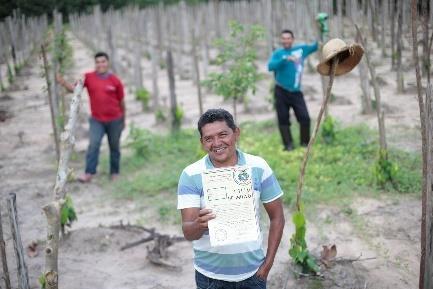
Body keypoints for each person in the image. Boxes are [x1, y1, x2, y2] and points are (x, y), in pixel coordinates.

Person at [177, 109, 285, 289]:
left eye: (223, 134)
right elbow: (188, 232)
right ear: (202, 142)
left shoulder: (257, 167)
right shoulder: (191, 175)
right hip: (210, 277)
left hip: (254, 274)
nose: (217, 143)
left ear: (236, 133)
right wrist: (200, 224)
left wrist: (268, 264)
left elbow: (277, 217)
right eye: (209, 138)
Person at [57, 52, 125, 182]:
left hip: (115, 120)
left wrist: (123, 119)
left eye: (103, 61)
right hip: (97, 120)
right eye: (98, 62)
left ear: (108, 62)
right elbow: (74, 89)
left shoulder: (115, 81)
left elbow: (121, 102)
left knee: (114, 146)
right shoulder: (88, 77)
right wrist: (62, 82)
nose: (100, 64)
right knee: (93, 144)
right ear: (95, 64)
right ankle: (89, 172)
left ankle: (115, 172)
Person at [268, 30, 318, 151]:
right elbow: (270, 66)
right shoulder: (278, 53)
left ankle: (304, 144)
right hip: (281, 90)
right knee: (283, 119)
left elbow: (316, 46)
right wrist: (285, 59)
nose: (286, 40)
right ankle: (288, 145)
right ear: (281, 40)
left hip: (296, 92)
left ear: (292, 39)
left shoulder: (301, 50)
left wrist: (321, 29)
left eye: (288, 38)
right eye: (283, 38)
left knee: (305, 118)